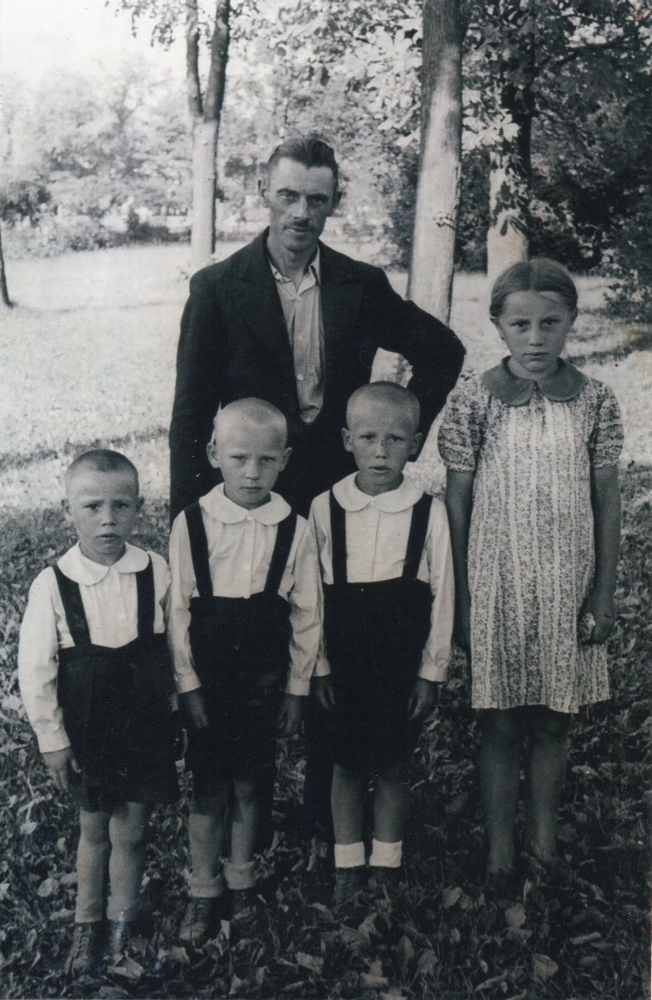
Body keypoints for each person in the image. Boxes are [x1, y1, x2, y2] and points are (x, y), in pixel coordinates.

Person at [169, 134, 465, 849]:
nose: (302, 212)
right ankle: (253, 814)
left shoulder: (358, 284)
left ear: (334, 204)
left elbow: (443, 351)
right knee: (256, 647)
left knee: (334, 635)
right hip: (251, 494)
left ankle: (326, 814)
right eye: (289, 195)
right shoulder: (217, 287)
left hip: (337, 492)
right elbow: (189, 415)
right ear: (264, 195)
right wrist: (194, 522)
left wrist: (394, 436)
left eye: (318, 199)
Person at [438, 259, 623, 890]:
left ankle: (543, 848)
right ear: (498, 325)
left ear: (572, 320)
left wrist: (602, 589)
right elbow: (457, 503)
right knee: (500, 718)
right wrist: (461, 599)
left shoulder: (596, 400)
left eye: (551, 322)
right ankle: (498, 851)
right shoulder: (473, 400)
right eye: (521, 324)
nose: (537, 337)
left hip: (568, 586)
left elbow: (606, 497)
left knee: (553, 719)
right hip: (497, 584)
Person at [18, 451, 179, 977]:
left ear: (139, 509)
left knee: (132, 829)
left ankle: (122, 919)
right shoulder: (53, 584)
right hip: (91, 731)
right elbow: (35, 670)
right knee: (94, 830)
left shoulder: (155, 570)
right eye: (91, 507)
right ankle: (87, 924)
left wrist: (183, 697)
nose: (107, 518)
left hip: (145, 725)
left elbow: (177, 645)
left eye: (120, 505)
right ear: (68, 511)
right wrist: (53, 739)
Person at [168, 398, 322, 945]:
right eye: (238, 458)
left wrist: (297, 688)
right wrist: (187, 686)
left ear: (284, 459)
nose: (252, 472)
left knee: (252, 782)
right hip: (209, 678)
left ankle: (242, 879)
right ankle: (203, 889)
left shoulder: (296, 529)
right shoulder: (191, 524)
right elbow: (177, 614)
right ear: (214, 455)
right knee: (209, 786)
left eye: (265, 460)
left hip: (262, 677)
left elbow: (308, 615)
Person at [309, 382, 455, 907]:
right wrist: (318, 666)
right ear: (347, 439)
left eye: (395, 439)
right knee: (345, 764)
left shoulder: (427, 512)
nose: (380, 450)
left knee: (394, 764)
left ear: (416, 443)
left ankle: (386, 861)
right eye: (368, 437)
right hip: (344, 660)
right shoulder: (325, 508)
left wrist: (430, 673)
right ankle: (347, 862)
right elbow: (311, 599)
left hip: (398, 661)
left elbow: (443, 598)